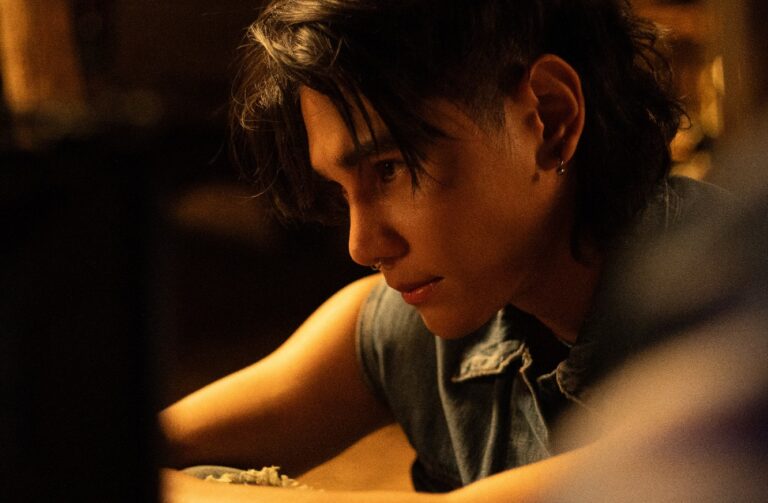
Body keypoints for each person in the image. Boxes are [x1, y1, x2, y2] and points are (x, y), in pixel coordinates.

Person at [160, 0, 732, 501]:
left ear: (550, 118)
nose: (363, 246)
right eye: (341, 190)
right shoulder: (426, 321)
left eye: (391, 169)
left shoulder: (734, 315)